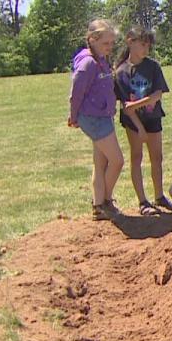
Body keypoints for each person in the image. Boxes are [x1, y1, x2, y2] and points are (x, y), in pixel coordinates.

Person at [113, 27, 172, 216]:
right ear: (129, 41)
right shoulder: (121, 72)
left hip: (153, 117)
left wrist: (140, 103)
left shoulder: (153, 66)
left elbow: (158, 94)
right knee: (136, 157)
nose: (145, 49)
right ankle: (142, 201)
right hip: (133, 122)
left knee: (157, 157)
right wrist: (139, 127)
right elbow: (126, 107)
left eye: (148, 45)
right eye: (142, 44)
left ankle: (159, 196)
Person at [68, 19, 125, 221]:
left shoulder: (101, 59)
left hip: (102, 116)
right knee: (117, 161)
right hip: (93, 119)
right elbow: (76, 91)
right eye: (105, 43)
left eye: (111, 43)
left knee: (100, 163)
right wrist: (73, 116)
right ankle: (105, 201)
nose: (109, 48)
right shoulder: (88, 63)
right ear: (92, 40)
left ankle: (98, 206)